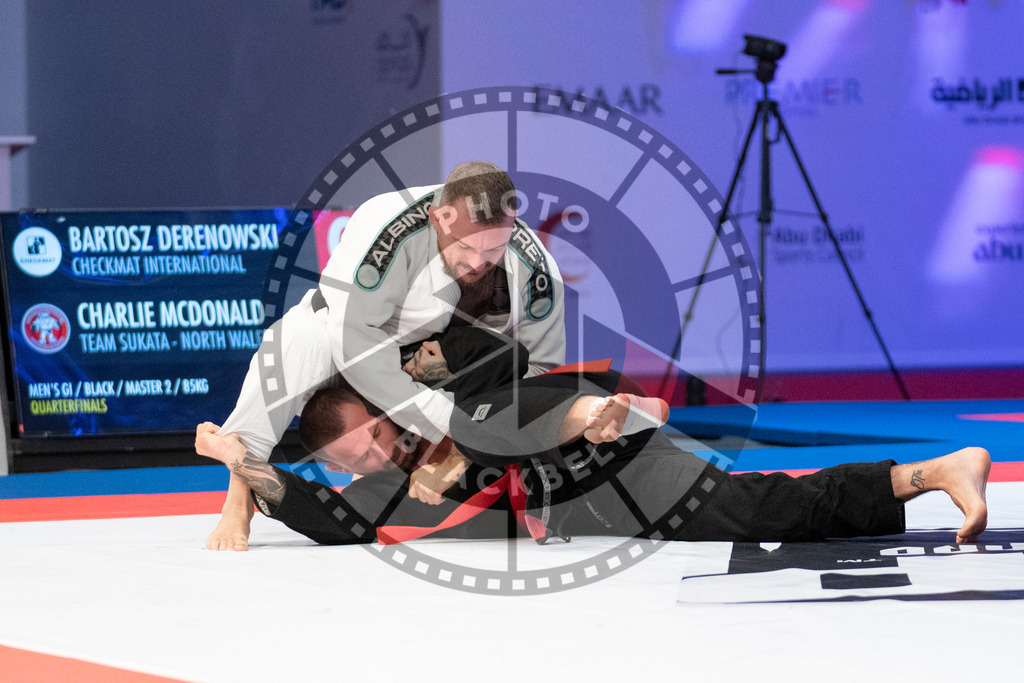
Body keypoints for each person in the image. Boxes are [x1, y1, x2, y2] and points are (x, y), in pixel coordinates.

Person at [196, 328, 991, 548]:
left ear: (376, 419)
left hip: (612, 464)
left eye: (354, 452)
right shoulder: (399, 468)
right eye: (343, 466)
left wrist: (592, 414)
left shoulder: (444, 392)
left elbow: (521, 388)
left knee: (758, 512)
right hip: (588, 507)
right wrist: (253, 476)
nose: (359, 469)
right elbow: (344, 519)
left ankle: (933, 470)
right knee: (758, 509)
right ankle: (927, 473)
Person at [205, 162, 566, 550]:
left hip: (435, 364)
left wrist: (478, 436)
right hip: (345, 339)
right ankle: (239, 497)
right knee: (293, 343)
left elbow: (541, 371)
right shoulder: (389, 230)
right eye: (465, 246)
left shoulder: (537, 274)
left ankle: (374, 476)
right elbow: (353, 339)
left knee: (499, 361)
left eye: (494, 248)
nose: (479, 261)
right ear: (438, 219)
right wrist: (444, 425)